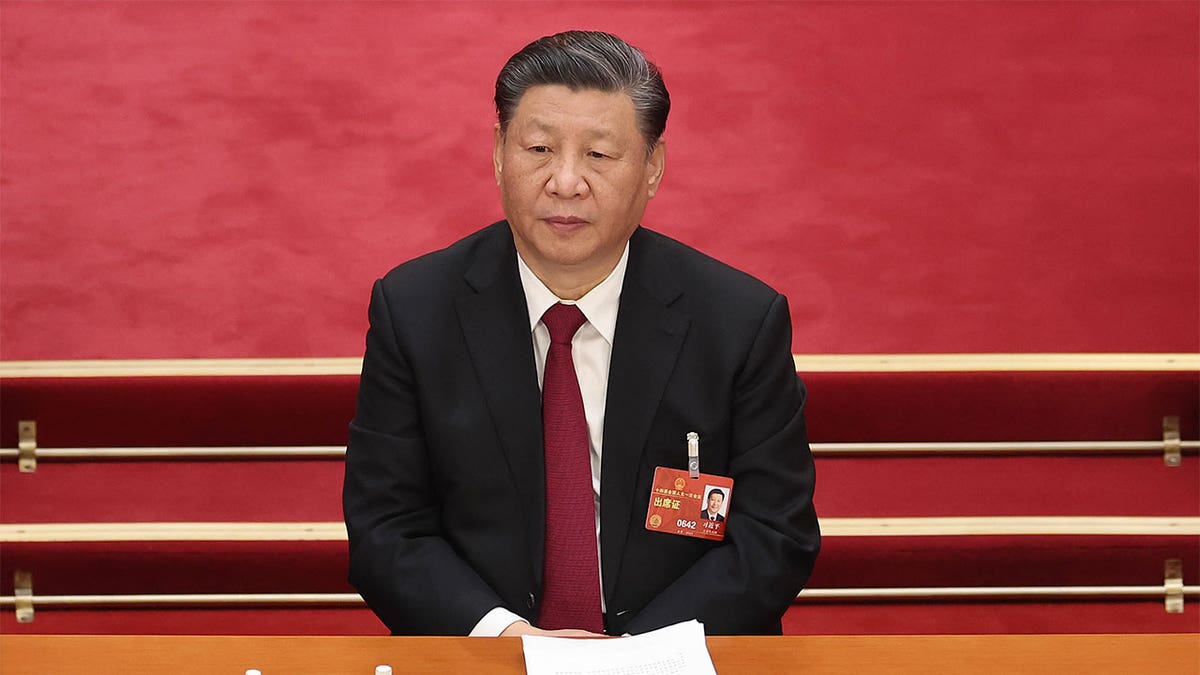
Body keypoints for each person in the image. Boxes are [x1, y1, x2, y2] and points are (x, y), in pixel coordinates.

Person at [343, 30, 819, 638]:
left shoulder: (737, 321)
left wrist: (630, 656)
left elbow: (774, 534)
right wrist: (510, 639)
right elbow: (387, 527)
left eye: (599, 155)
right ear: (497, 153)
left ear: (653, 168)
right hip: (489, 658)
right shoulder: (415, 310)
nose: (565, 182)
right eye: (539, 148)